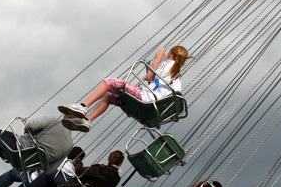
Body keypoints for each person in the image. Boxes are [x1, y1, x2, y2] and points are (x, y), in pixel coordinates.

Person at [58, 46, 191, 132]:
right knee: (109, 96)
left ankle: (83, 106)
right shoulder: (177, 76)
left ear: (171, 54)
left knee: (110, 82)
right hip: (152, 108)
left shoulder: (169, 63)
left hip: (147, 99)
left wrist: (159, 56)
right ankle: (86, 121)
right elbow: (154, 80)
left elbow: (150, 76)